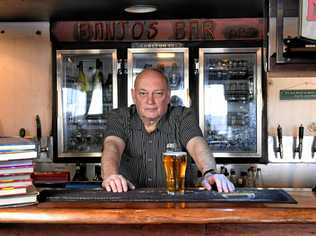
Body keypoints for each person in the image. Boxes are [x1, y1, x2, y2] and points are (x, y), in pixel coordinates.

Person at [101, 68, 235, 193]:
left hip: (178, 206)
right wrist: (111, 176)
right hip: (129, 206)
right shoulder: (120, 117)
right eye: (143, 93)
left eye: (158, 93)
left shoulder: (182, 116)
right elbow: (112, 146)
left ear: (169, 95)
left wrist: (209, 172)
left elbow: (196, 144)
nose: (150, 101)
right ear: (134, 95)